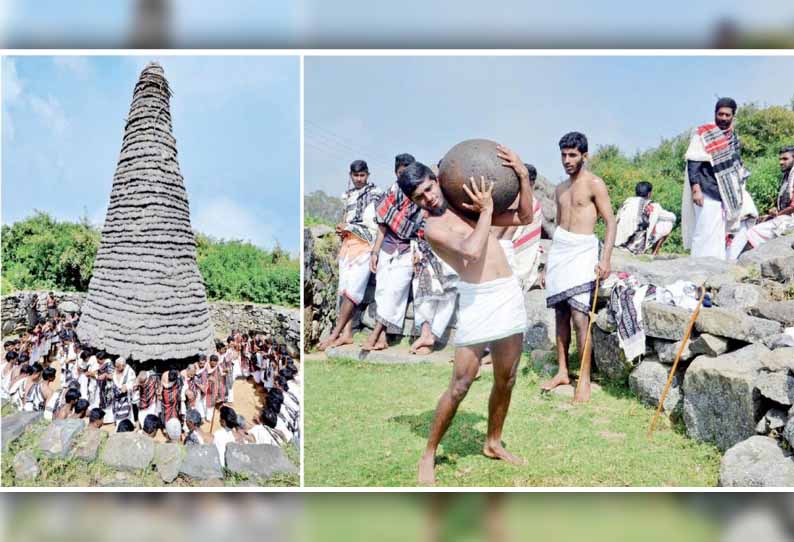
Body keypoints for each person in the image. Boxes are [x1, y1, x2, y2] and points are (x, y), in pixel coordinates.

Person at [396, 144, 534, 485]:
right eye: (418, 198)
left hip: (507, 294)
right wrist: (486, 211)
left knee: (507, 378)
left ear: (436, 178)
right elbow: (472, 251)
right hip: (477, 300)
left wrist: (520, 174)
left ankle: (492, 442)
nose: (427, 198)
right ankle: (428, 454)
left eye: (427, 188)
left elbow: (525, 217)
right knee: (460, 384)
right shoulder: (432, 228)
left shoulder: (464, 204)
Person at [543, 132, 616, 403]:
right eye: (563, 155)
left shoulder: (595, 184)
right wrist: (548, 264)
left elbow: (610, 222)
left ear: (584, 156)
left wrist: (605, 258)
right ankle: (563, 371)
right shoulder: (560, 189)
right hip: (561, 251)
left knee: (579, 315)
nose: (567, 160)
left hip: (584, 251)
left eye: (572, 155)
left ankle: (583, 379)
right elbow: (559, 228)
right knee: (560, 314)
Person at [319, 159, 384, 351]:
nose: (359, 179)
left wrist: (351, 228)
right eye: (355, 175)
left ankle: (335, 333)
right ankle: (346, 334)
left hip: (365, 246)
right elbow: (345, 218)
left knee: (353, 292)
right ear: (351, 175)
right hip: (348, 246)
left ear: (368, 174)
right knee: (344, 289)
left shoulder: (376, 193)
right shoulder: (347, 195)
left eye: (362, 175)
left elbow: (376, 224)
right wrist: (343, 229)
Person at [363, 153, 424, 351]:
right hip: (387, 247)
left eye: (408, 173)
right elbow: (382, 224)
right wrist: (375, 252)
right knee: (382, 291)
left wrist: (418, 251)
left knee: (396, 291)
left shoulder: (421, 195)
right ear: (395, 173)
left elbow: (421, 229)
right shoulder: (391, 194)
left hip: (409, 248)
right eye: (401, 173)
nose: (404, 177)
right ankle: (382, 338)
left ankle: (375, 335)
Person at [682, 97, 753, 260]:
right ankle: (698, 264)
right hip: (706, 188)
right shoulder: (704, 133)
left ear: (733, 116)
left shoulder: (733, 137)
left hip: (726, 193)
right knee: (704, 228)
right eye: (720, 114)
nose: (723, 118)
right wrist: (696, 189)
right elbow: (694, 161)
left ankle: (716, 264)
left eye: (727, 115)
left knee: (720, 231)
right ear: (715, 113)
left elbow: (736, 163)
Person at [728, 146, 794, 256]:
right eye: (780, 159)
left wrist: (777, 215)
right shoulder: (787, 176)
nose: (781, 162)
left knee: (752, 233)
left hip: (790, 220)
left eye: (785, 159)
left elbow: (793, 206)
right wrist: (773, 213)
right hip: (785, 217)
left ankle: (738, 263)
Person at [409, 237, 458, 355]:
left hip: (452, 246)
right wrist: (415, 249)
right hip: (424, 247)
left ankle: (432, 337)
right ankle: (425, 334)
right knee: (423, 289)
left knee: (449, 292)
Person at [615, 181, 678, 255]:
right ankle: (654, 252)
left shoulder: (627, 201)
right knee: (668, 222)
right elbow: (673, 217)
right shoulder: (654, 206)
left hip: (617, 242)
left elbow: (617, 219)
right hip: (634, 248)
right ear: (649, 194)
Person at [110, 358, 136, 426]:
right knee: (117, 410)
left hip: (126, 396)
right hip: (117, 396)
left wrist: (127, 386)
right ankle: (119, 424)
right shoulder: (116, 369)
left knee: (126, 413)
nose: (116, 368)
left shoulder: (130, 371)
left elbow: (133, 382)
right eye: (116, 366)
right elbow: (114, 378)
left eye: (118, 366)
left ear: (123, 365)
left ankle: (126, 425)